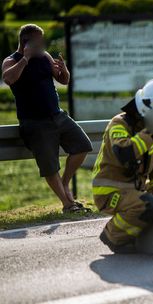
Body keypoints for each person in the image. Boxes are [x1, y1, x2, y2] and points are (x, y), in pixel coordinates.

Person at [1, 24, 92, 213]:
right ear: (27, 42)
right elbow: (9, 79)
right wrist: (25, 58)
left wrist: (64, 71)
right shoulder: (11, 61)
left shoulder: (45, 56)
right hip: (35, 123)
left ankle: (66, 183)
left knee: (83, 145)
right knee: (50, 167)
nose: (42, 45)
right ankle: (68, 204)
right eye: (39, 41)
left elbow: (63, 80)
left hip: (58, 116)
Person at [93, 77, 153, 253]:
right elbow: (124, 154)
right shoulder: (119, 124)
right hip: (110, 192)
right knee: (147, 204)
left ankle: (148, 234)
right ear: (148, 111)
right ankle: (113, 235)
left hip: (135, 189)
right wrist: (149, 134)